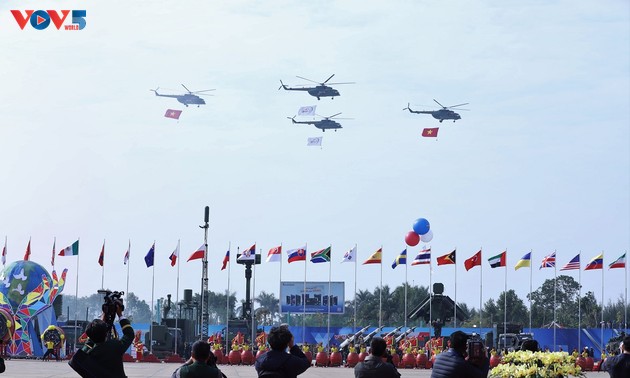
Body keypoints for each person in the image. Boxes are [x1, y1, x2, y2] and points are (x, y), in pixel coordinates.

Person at [81, 303, 135, 378]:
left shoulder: (88, 352)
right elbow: (129, 334)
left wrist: (100, 323)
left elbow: (88, 345)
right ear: (106, 333)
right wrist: (120, 315)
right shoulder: (115, 346)